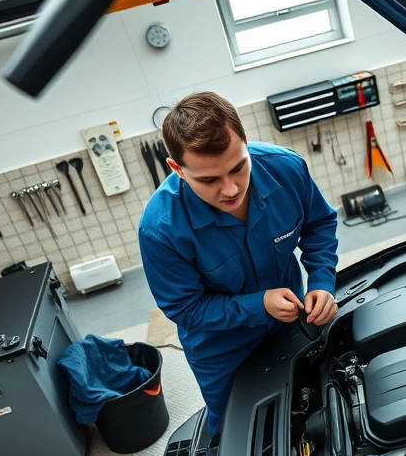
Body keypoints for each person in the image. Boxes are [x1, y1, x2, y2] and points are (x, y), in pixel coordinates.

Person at [138, 91, 339, 435]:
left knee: (310, 399)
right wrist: (258, 304)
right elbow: (186, 308)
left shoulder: (287, 168)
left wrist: (322, 281)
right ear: (177, 169)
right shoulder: (161, 229)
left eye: (238, 167)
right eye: (208, 179)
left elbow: (318, 224)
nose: (230, 189)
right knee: (238, 430)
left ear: (245, 142)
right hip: (221, 349)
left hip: (292, 319)